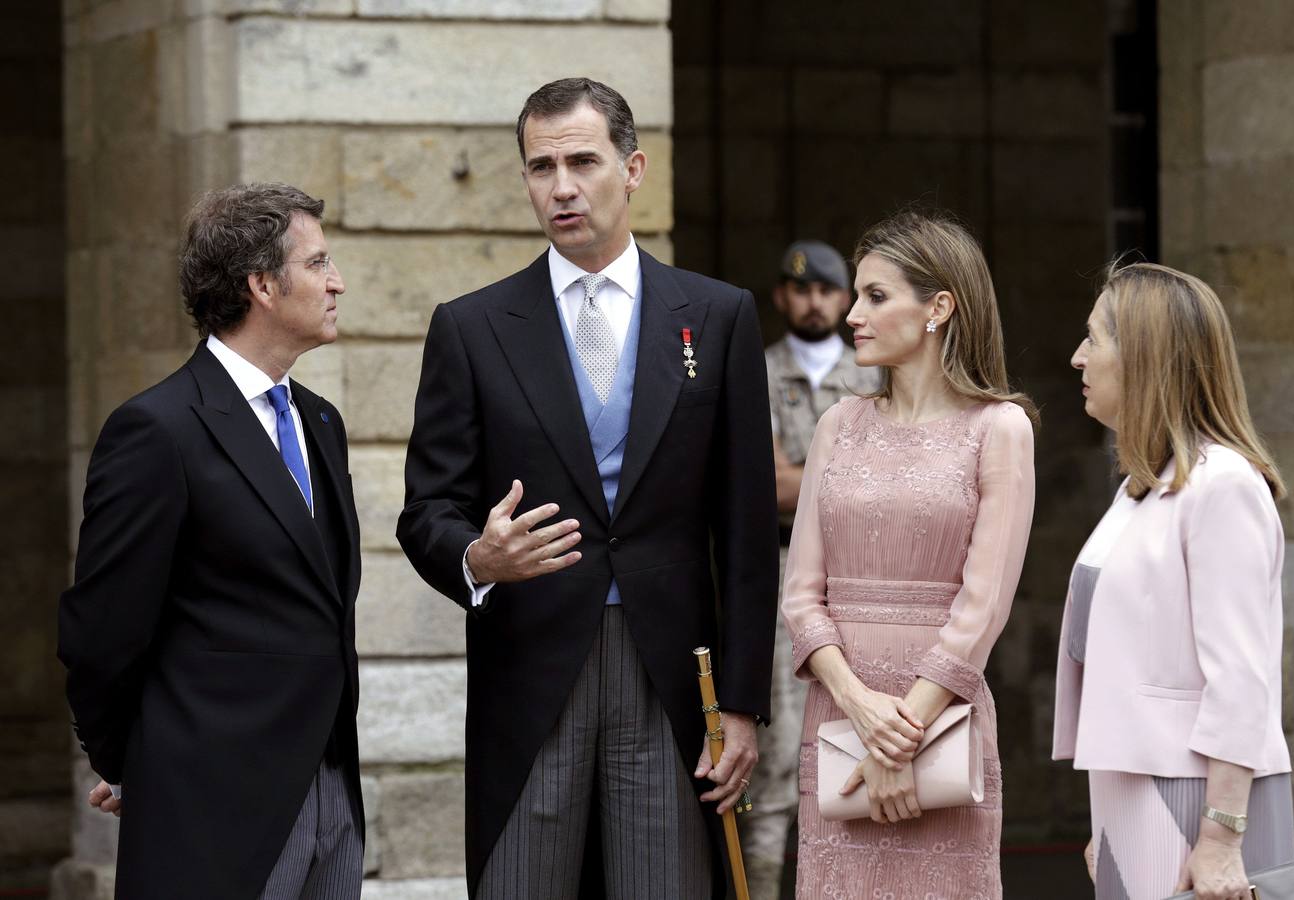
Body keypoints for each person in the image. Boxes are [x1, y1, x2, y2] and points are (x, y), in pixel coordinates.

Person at [396, 77, 778, 899]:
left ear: (632, 169)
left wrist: (743, 703)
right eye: (541, 168)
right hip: (529, 675)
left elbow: (746, 531)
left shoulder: (717, 317)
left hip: (671, 678)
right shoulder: (471, 327)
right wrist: (476, 557)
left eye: (581, 162)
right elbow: (426, 509)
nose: (561, 187)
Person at [57, 183, 364, 899]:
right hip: (214, 807)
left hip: (331, 793)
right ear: (262, 285)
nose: (337, 282)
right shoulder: (157, 430)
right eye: (318, 263)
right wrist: (132, 762)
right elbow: (103, 631)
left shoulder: (320, 421)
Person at [781, 210, 1036, 899]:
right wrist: (860, 709)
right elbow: (800, 596)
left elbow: (982, 608)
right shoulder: (838, 424)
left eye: (875, 296)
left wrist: (903, 733)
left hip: (942, 723)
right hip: (839, 721)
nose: (852, 315)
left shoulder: (1000, 428)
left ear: (938, 308)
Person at [1054, 261, 1294, 900]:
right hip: (1137, 791)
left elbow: (1240, 677)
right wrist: (1112, 812)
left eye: (1093, 339)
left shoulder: (1224, 484)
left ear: (1145, 357)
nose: (1078, 357)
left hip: (1198, 799)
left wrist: (1220, 836)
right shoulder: (1142, 487)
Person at [745, 239, 879, 898]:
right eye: (800, 290)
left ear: (844, 298)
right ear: (781, 296)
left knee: (863, 746)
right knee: (775, 760)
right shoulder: (757, 371)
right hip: (781, 572)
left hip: (864, 579)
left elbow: (894, 484)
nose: (814, 301)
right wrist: (853, 477)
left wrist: (807, 478)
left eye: (826, 290)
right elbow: (765, 486)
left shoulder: (875, 374)